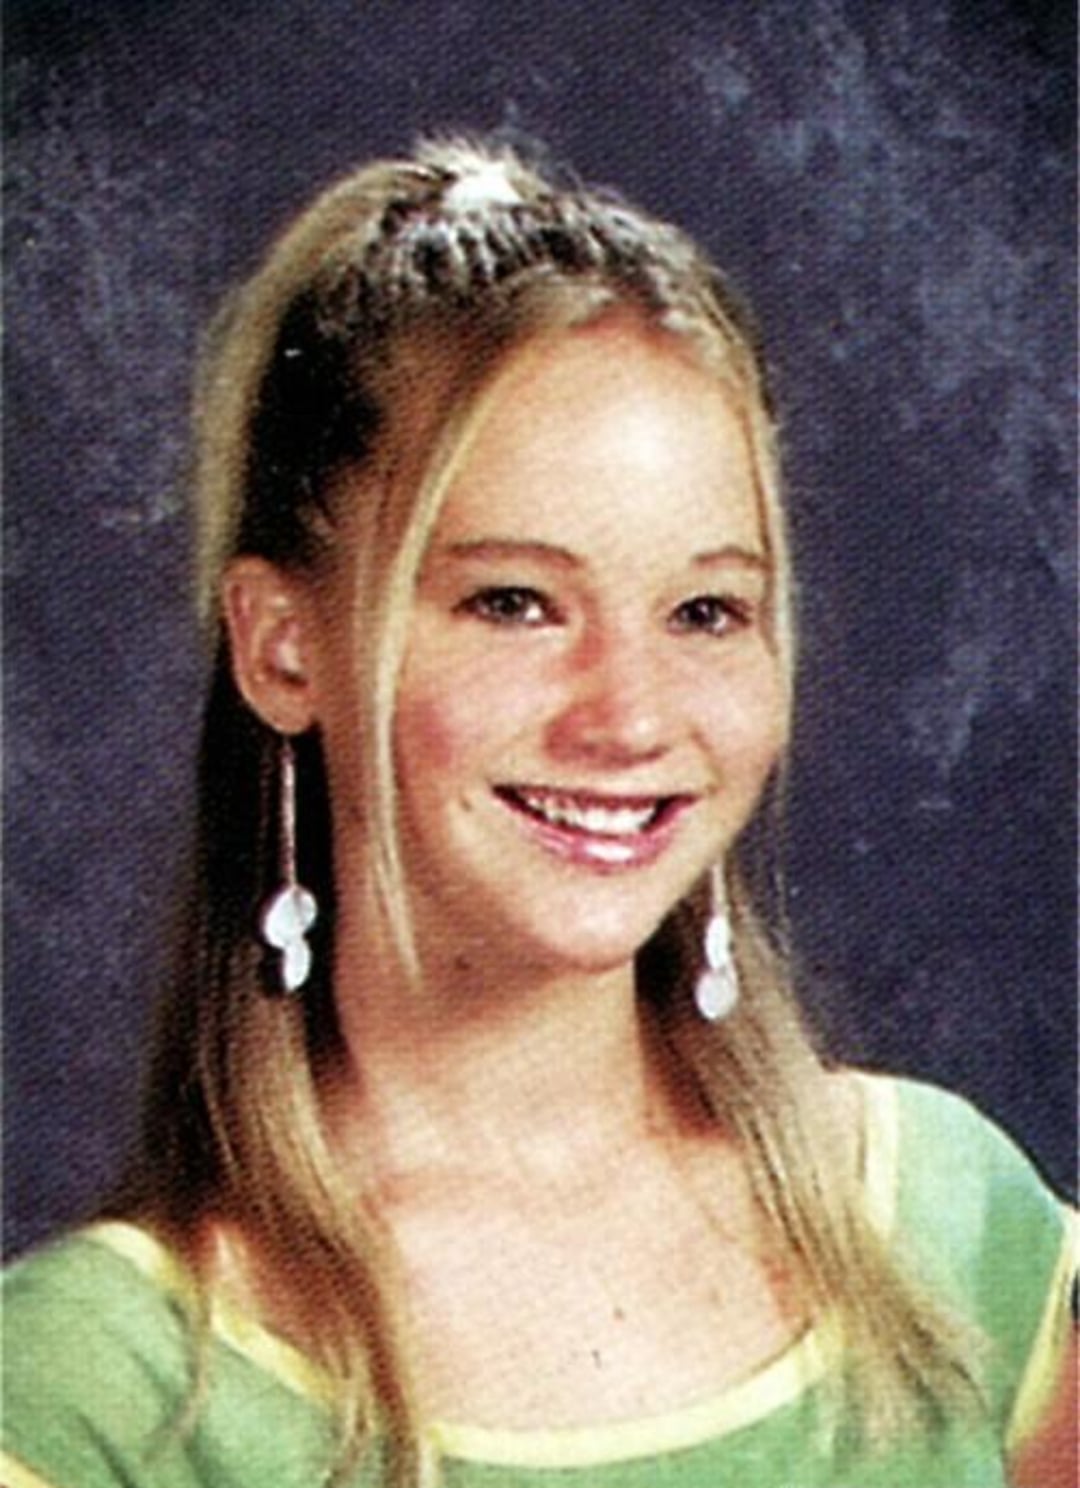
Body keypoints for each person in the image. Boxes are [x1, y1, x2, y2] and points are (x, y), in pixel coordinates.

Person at [2, 138, 1074, 1488]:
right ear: (285, 649)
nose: (628, 715)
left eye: (706, 611)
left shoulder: (954, 1233)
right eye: (514, 602)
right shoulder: (99, 1395)